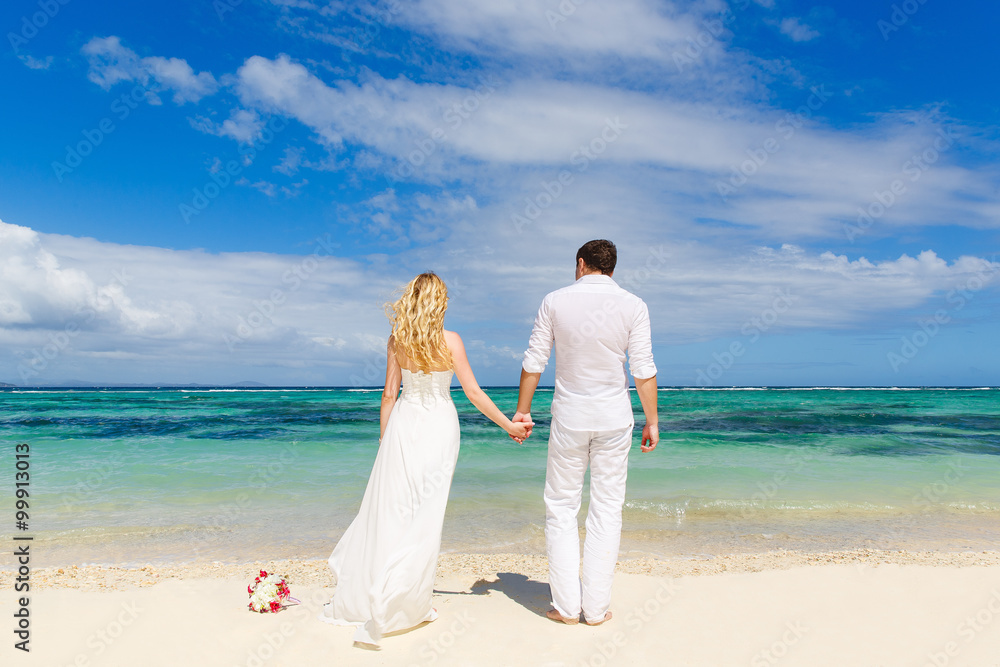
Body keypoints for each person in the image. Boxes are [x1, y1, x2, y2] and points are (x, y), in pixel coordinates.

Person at [320, 272, 531, 647]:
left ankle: (389, 593)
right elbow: (473, 392)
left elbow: (389, 394)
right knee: (425, 513)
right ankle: (408, 602)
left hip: (402, 425)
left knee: (394, 511)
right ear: (441, 302)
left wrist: (385, 439)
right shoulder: (451, 341)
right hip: (438, 428)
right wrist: (508, 427)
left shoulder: (396, 340)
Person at [513, 239, 658, 626]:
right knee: (607, 510)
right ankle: (595, 609)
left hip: (570, 418)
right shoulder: (634, 305)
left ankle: (565, 607)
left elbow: (534, 360)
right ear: (611, 267)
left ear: (581, 264)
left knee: (561, 509)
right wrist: (653, 421)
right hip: (615, 418)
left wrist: (523, 411)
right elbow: (642, 368)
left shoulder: (555, 301)